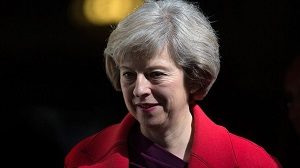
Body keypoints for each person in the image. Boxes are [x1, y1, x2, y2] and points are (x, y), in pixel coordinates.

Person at [65, 0, 281, 167]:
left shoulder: (248, 162)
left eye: (156, 74)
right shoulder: (85, 156)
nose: (139, 89)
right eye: (129, 75)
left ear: (196, 78)